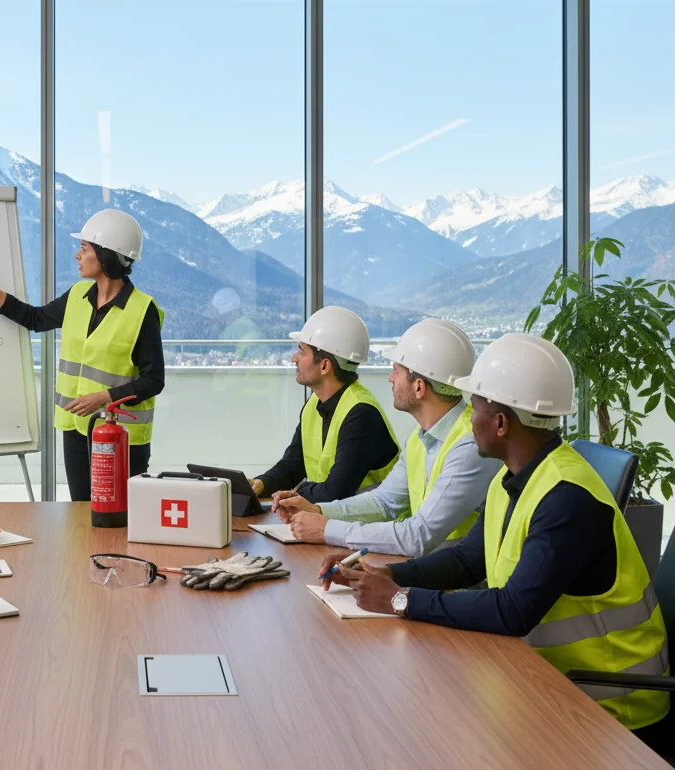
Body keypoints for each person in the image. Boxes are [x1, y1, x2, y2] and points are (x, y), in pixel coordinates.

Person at [331, 333, 670, 736]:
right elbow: (469, 558)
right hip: (544, 679)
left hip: (610, 706)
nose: (467, 419)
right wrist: (390, 576)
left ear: (501, 422)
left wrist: (401, 601)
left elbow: (513, 611)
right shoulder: (513, 478)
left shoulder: (566, 499)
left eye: (473, 408)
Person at [0, 209, 164, 502]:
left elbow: (153, 380)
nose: (77, 256)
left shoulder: (143, 312)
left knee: (122, 516)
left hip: (123, 436)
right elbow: (36, 319)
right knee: (82, 511)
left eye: (84, 249)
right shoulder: (78, 295)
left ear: (105, 255)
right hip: (76, 430)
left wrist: (104, 397)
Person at [271, 319, 500, 555]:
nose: (390, 378)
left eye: (396, 371)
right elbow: (384, 502)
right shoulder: (421, 436)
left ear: (419, 387)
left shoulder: (470, 446)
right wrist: (317, 511)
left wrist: (327, 529)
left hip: (458, 585)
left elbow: (419, 535)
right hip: (425, 571)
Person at [249, 306, 399, 504]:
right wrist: (262, 483)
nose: (294, 358)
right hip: (331, 524)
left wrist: (296, 493)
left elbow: (336, 492)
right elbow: (293, 465)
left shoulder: (362, 415)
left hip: (368, 530)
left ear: (325, 366)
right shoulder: (314, 404)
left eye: (301, 352)